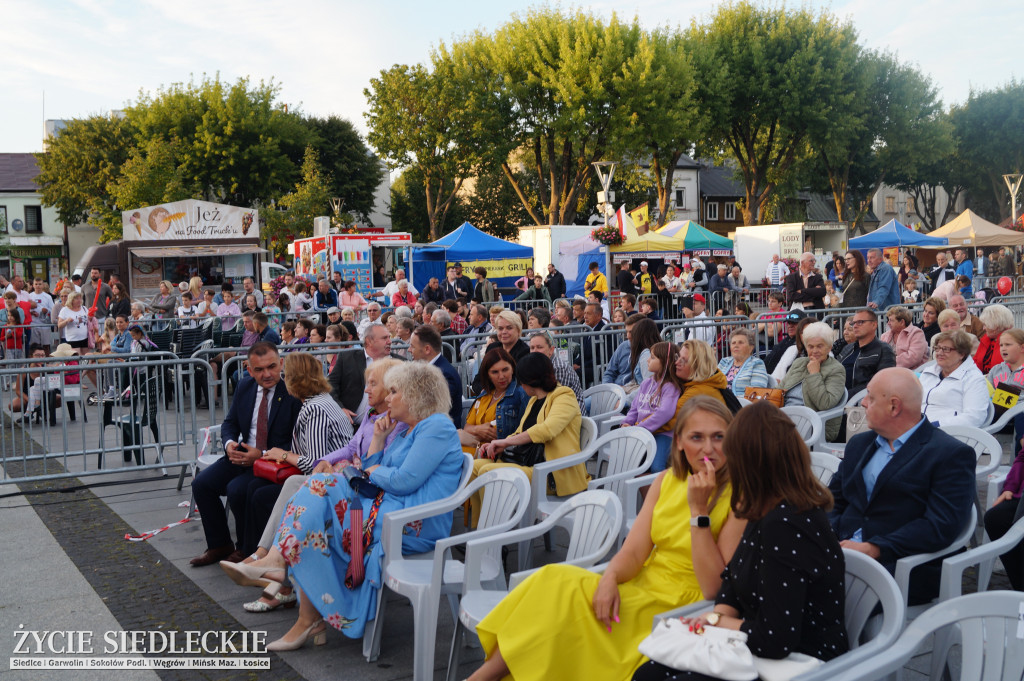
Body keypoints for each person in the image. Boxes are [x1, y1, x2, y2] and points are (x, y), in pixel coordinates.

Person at [470, 397, 744, 681]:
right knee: (552, 582)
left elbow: (714, 588)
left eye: (718, 437)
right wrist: (610, 577)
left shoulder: (740, 496)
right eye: (696, 437)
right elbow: (635, 552)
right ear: (679, 443)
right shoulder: (665, 481)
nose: (708, 448)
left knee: (562, 614)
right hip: (642, 583)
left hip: (682, 604)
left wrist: (699, 512)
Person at [240, 362, 463, 649]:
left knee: (319, 508)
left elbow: (403, 480)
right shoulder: (410, 429)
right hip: (388, 509)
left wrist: (372, 472)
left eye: (394, 391)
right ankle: (293, 592)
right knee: (315, 492)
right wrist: (379, 442)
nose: (388, 398)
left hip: (411, 522)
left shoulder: (437, 426)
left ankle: (287, 577)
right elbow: (378, 473)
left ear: (415, 394)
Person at [633, 401, 849, 681]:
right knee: (647, 674)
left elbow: (775, 640)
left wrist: (719, 622)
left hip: (802, 661)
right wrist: (714, 617)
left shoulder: (787, 523)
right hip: (754, 644)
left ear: (752, 463)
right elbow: (731, 582)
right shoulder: (762, 507)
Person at [828, 367, 975, 604]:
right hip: (842, 550)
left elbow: (940, 525)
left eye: (871, 397)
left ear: (894, 407)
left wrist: (875, 548)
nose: (863, 403)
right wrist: (829, 534)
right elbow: (833, 499)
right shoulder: (860, 443)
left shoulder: (949, 454)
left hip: (902, 563)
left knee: (807, 595)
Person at [230, 351, 354, 567]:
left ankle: (267, 558)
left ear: (296, 380)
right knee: (254, 488)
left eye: (286, 375)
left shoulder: (316, 408)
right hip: (327, 475)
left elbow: (316, 464)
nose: (283, 379)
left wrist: (283, 454)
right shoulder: (317, 402)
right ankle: (254, 553)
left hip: (329, 482)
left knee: (260, 495)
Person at [189, 343, 302, 567]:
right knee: (202, 484)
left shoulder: (292, 393)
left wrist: (261, 454)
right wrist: (230, 443)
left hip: (273, 463)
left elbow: (297, 440)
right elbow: (230, 422)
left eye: (271, 367)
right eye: (259, 370)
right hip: (242, 455)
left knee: (237, 489)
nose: (267, 374)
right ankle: (219, 544)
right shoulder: (245, 386)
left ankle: (247, 548)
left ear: (281, 364)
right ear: (249, 370)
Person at [473, 353, 588, 523]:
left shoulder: (564, 395)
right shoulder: (534, 400)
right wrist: (498, 445)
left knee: (487, 472)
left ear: (528, 380)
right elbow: (520, 431)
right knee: (475, 467)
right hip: (529, 462)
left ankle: (491, 534)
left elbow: (547, 430)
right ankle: (479, 529)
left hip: (551, 472)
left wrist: (505, 441)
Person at [780, 321, 847, 440]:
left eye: (820, 346)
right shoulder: (799, 363)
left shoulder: (836, 369)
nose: (815, 351)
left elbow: (825, 403)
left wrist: (814, 374)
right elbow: (779, 390)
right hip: (785, 417)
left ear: (829, 347)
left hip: (812, 423)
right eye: (810, 346)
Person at [623, 342, 684, 471]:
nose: (647, 359)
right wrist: (627, 422)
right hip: (641, 431)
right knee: (627, 463)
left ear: (665, 362)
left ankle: (663, 490)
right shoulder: (646, 383)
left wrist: (639, 428)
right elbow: (634, 408)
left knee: (657, 468)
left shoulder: (670, 386)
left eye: (653, 357)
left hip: (662, 434)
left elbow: (665, 413)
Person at [459, 347, 529, 455]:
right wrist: (479, 429)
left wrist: (476, 431)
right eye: (495, 372)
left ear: (513, 369)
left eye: (505, 370)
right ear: (487, 374)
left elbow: (527, 432)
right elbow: (467, 427)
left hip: (499, 454)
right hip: (474, 450)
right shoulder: (484, 394)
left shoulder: (521, 394)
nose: (501, 376)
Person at [918, 330, 990, 427]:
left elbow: (974, 417)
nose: (939, 353)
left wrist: (937, 425)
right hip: (917, 428)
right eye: (937, 348)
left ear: (962, 354)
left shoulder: (973, 379)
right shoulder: (928, 373)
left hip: (949, 433)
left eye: (946, 349)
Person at [409, 324, 463, 426]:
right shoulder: (434, 369)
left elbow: (430, 410)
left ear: (427, 349)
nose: (409, 350)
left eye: (412, 346)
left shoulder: (445, 375)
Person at [837, 309, 896, 396]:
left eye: (860, 322)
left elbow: (882, 383)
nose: (855, 326)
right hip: (837, 396)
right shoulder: (848, 348)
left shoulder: (884, 350)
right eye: (854, 323)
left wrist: (845, 396)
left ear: (874, 325)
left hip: (860, 400)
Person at [527, 330, 585, 411]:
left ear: (551, 350)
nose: (535, 351)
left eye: (539, 347)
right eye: (532, 348)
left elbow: (556, 401)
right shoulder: (540, 365)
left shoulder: (558, 367)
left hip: (570, 414)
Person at [674, 339, 729, 411]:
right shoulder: (702, 383)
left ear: (698, 366)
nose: (676, 363)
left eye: (684, 361)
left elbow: (666, 422)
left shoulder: (697, 392)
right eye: (678, 357)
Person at [718, 329, 769, 401]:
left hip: (742, 405)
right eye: (733, 343)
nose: (736, 345)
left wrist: (733, 400)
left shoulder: (757, 364)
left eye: (740, 342)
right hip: (719, 403)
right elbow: (713, 383)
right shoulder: (724, 361)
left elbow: (757, 392)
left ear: (751, 347)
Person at [770, 317, 813, 383]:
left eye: (808, 331)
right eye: (802, 332)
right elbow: (777, 375)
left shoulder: (825, 355)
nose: (790, 326)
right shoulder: (791, 350)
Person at [974, 304, 1015, 374]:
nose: (983, 328)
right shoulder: (986, 339)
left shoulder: (1012, 341)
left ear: (995, 326)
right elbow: (975, 363)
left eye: (985, 325)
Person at [56, 291, 90, 355]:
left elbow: (89, 319)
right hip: (73, 339)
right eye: (77, 298)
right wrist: (66, 321)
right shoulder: (65, 310)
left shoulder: (84, 308)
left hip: (84, 338)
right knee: (77, 357)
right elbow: (59, 325)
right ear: (71, 300)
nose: (79, 300)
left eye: (80, 298)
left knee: (86, 358)